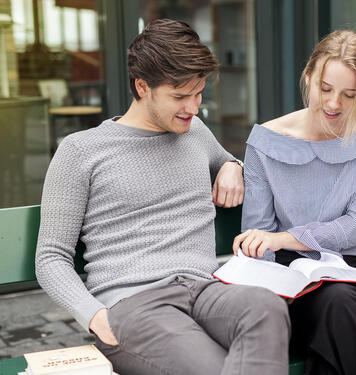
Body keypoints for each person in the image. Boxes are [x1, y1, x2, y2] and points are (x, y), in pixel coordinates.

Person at [35, 19, 290, 375]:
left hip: (204, 289)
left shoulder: (195, 132)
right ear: (142, 87)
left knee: (266, 307)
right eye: (180, 96)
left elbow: (231, 162)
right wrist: (95, 317)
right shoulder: (81, 151)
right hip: (134, 305)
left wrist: (232, 164)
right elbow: (51, 256)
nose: (193, 108)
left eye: (199, 94)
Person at [233, 30, 356, 375]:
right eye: (325, 89)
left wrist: (284, 237)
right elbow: (258, 238)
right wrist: (269, 296)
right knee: (337, 308)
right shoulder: (266, 143)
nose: (333, 104)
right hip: (289, 276)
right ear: (308, 76)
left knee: (340, 306)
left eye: (349, 95)